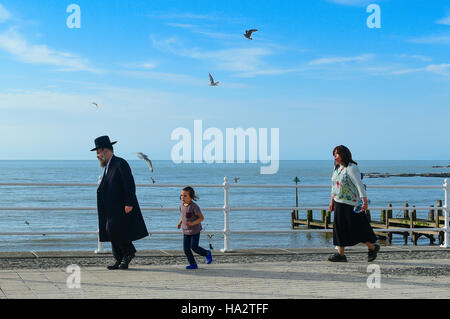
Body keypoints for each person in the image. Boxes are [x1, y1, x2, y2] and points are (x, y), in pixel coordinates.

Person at [92, 136, 149, 270]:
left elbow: (129, 184)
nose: (97, 156)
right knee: (111, 231)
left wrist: (129, 203)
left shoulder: (120, 163)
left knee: (114, 230)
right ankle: (119, 259)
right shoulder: (108, 166)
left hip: (121, 206)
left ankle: (128, 253)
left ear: (105, 151)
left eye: (98, 153)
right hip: (110, 208)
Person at [328, 145, 380, 262]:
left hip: (351, 204)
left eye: (337, 154)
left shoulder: (351, 168)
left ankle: (372, 247)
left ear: (343, 154)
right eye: (334, 154)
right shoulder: (337, 168)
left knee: (356, 228)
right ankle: (340, 254)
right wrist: (332, 201)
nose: (335, 156)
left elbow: (359, 185)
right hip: (338, 202)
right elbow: (334, 186)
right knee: (339, 228)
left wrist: (364, 201)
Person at [177, 186, 212, 269]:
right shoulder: (181, 205)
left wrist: (193, 223)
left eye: (185, 196)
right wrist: (179, 223)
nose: (183, 197)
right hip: (185, 231)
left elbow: (201, 218)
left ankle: (207, 253)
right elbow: (183, 216)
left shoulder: (194, 206)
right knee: (186, 249)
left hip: (195, 231)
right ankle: (193, 264)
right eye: (181, 195)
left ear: (191, 197)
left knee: (194, 247)